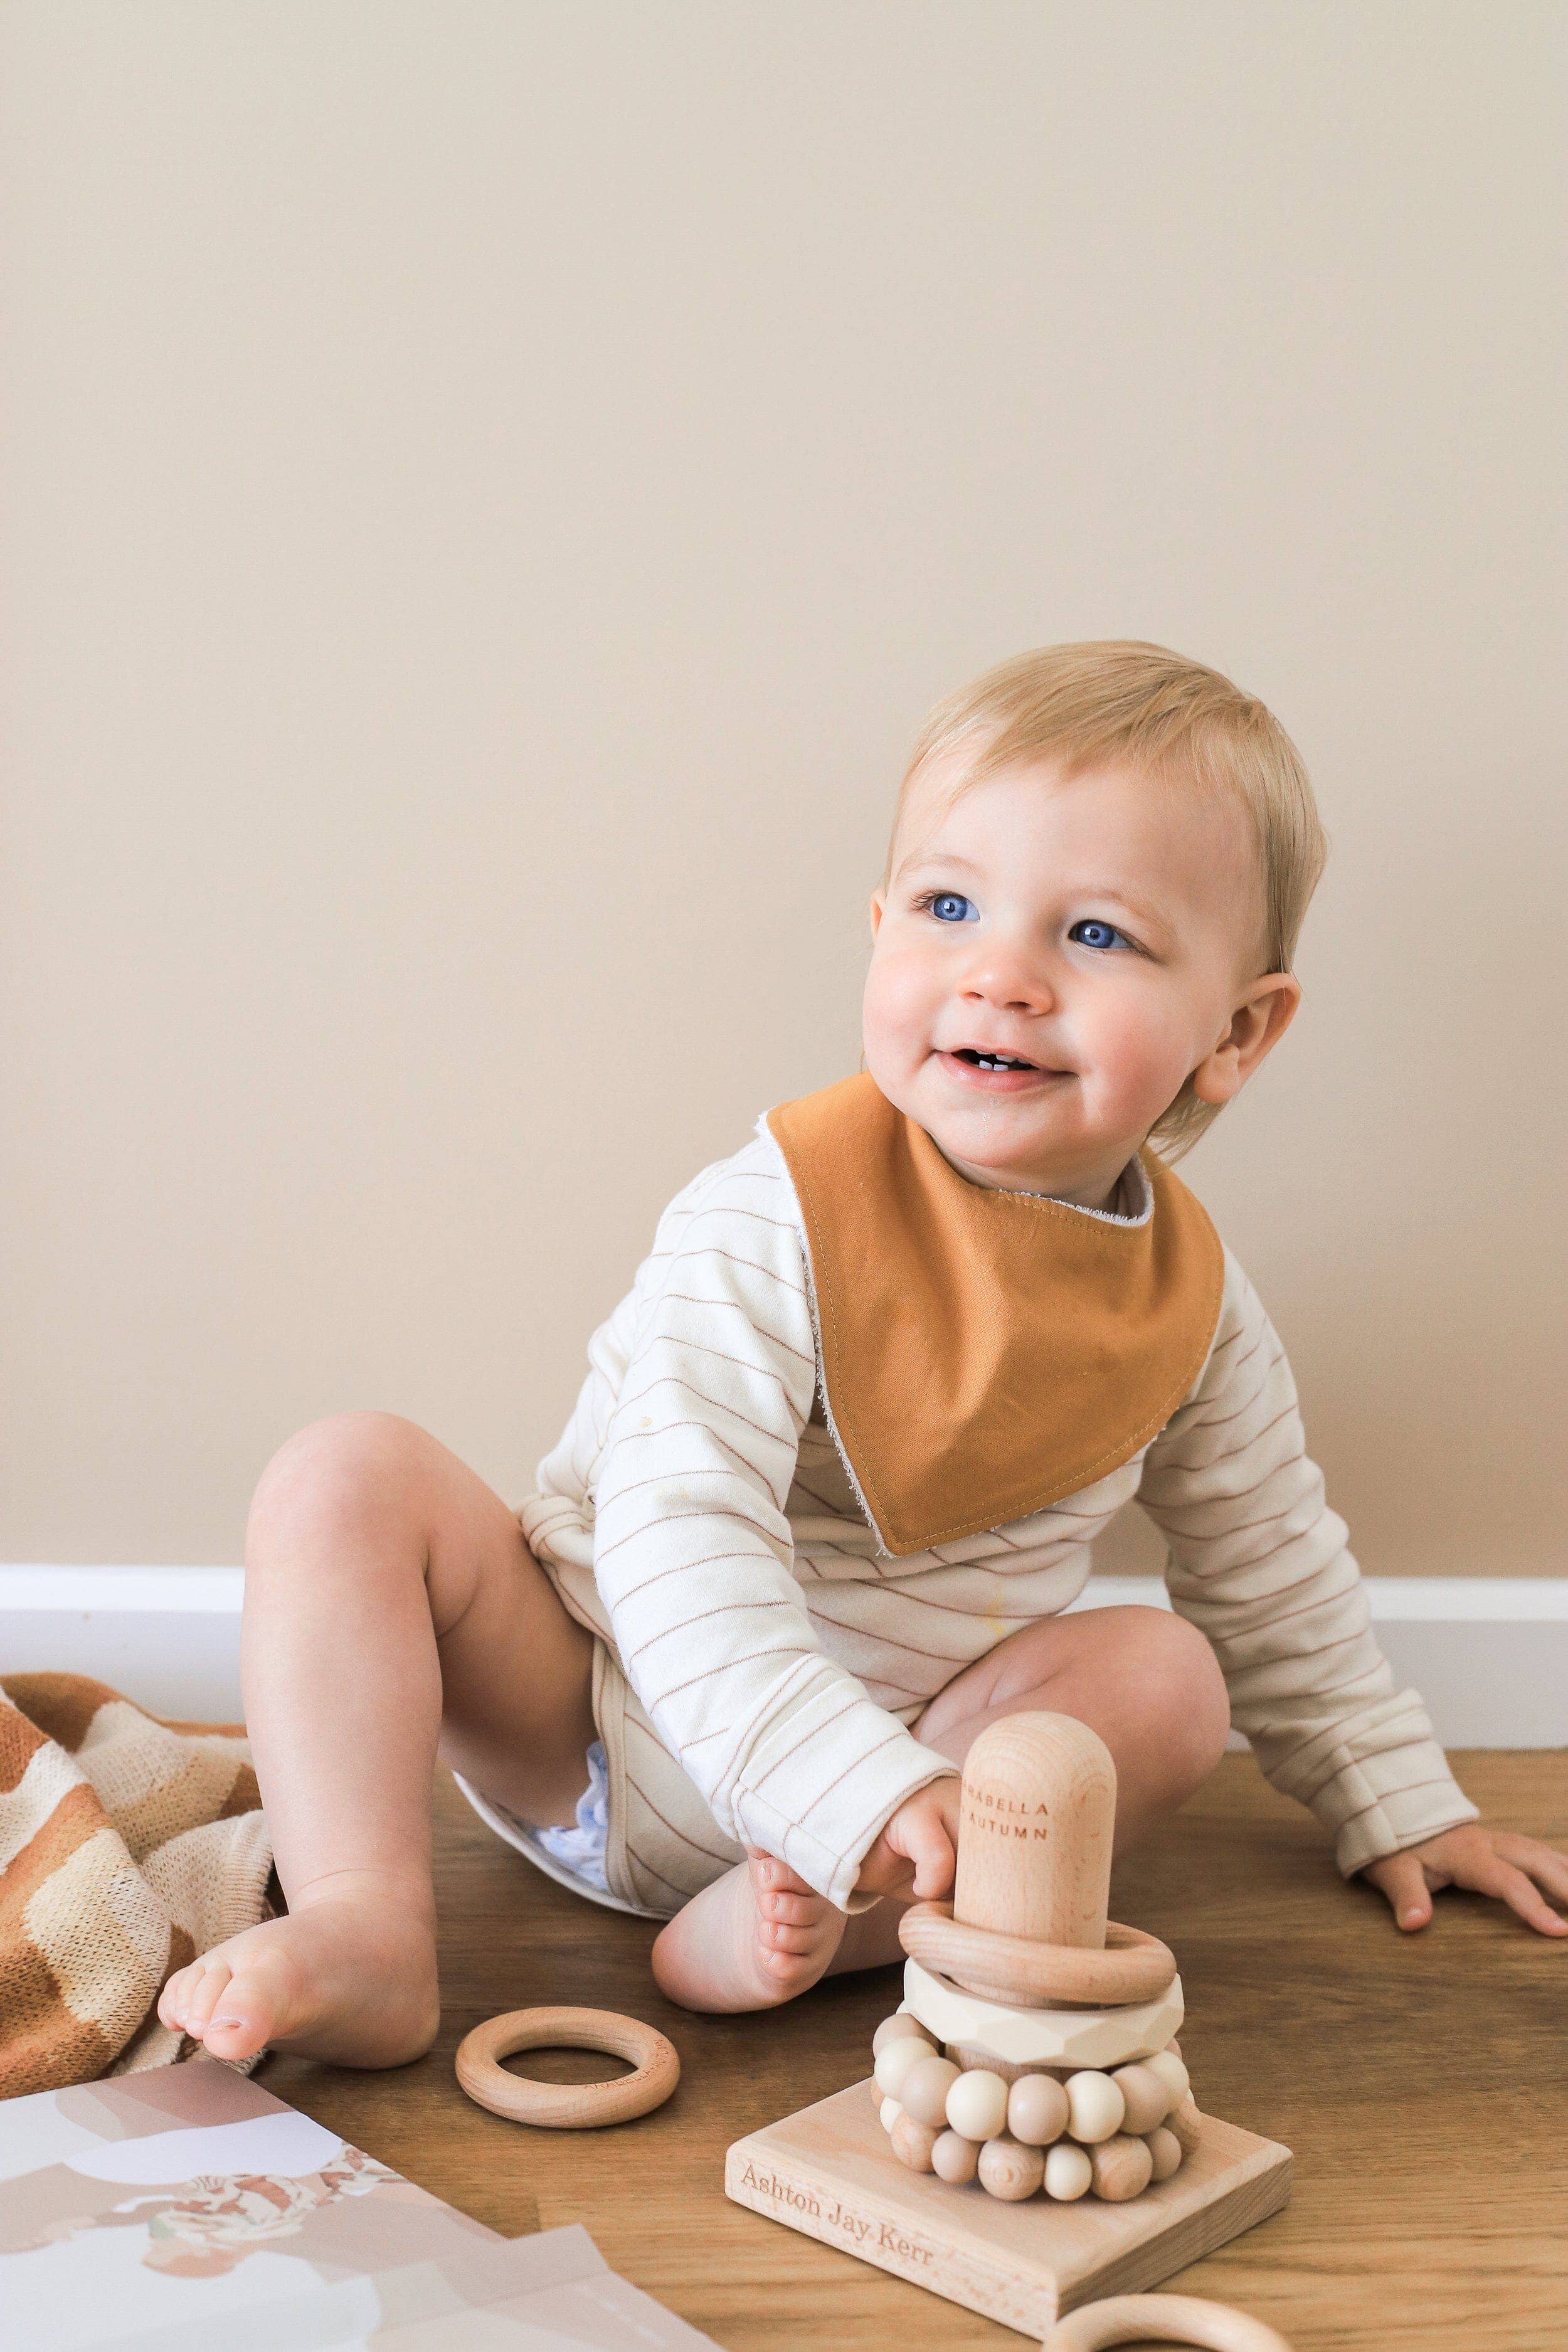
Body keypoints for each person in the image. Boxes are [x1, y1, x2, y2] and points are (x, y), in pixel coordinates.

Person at [159, 642, 1568, 2065]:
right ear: (881, 926)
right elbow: (674, 1536)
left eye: (1094, 935)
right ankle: (363, 1920)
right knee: (341, 1476)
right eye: (950, 906)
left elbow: (1271, 1563)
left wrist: (1401, 1798)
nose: (1000, 975)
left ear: (1237, 1031)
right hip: (595, 1714)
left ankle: (821, 1930)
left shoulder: (1187, 1305)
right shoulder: (771, 1211)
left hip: (917, 1793)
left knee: (1165, 1685)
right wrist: (828, 1784)